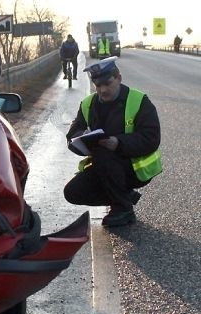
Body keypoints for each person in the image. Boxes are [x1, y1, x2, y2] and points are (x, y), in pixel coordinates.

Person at [63, 57, 162, 227]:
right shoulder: (88, 104)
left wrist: (118, 143)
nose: (102, 90)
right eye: (97, 85)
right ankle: (123, 195)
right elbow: (72, 135)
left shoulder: (139, 101)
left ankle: (123, 209)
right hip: (104, 167)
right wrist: (82, 138)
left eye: (107, 83)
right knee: (72, 192)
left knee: (103, 153)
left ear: (118, 78)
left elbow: (151, 138)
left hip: (134, 169)